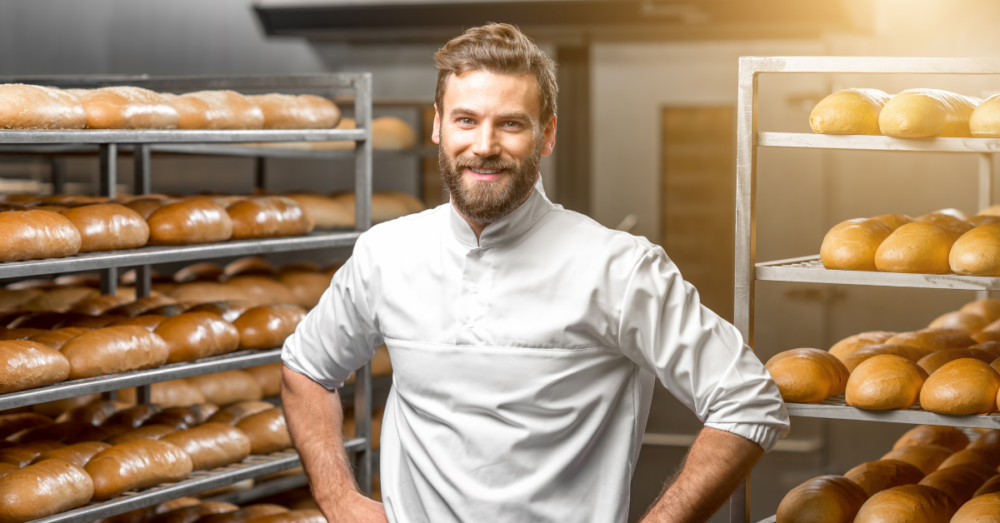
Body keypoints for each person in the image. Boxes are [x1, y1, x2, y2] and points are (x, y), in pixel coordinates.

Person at [281, 22, 789, 523]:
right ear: (437, 125)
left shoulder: (617, 267)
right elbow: (306, 367)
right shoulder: (386, 254)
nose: (484, 145)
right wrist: (340, 501)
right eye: (465, 120)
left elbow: (748, 400)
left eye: (510, 123)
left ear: (546, 134)